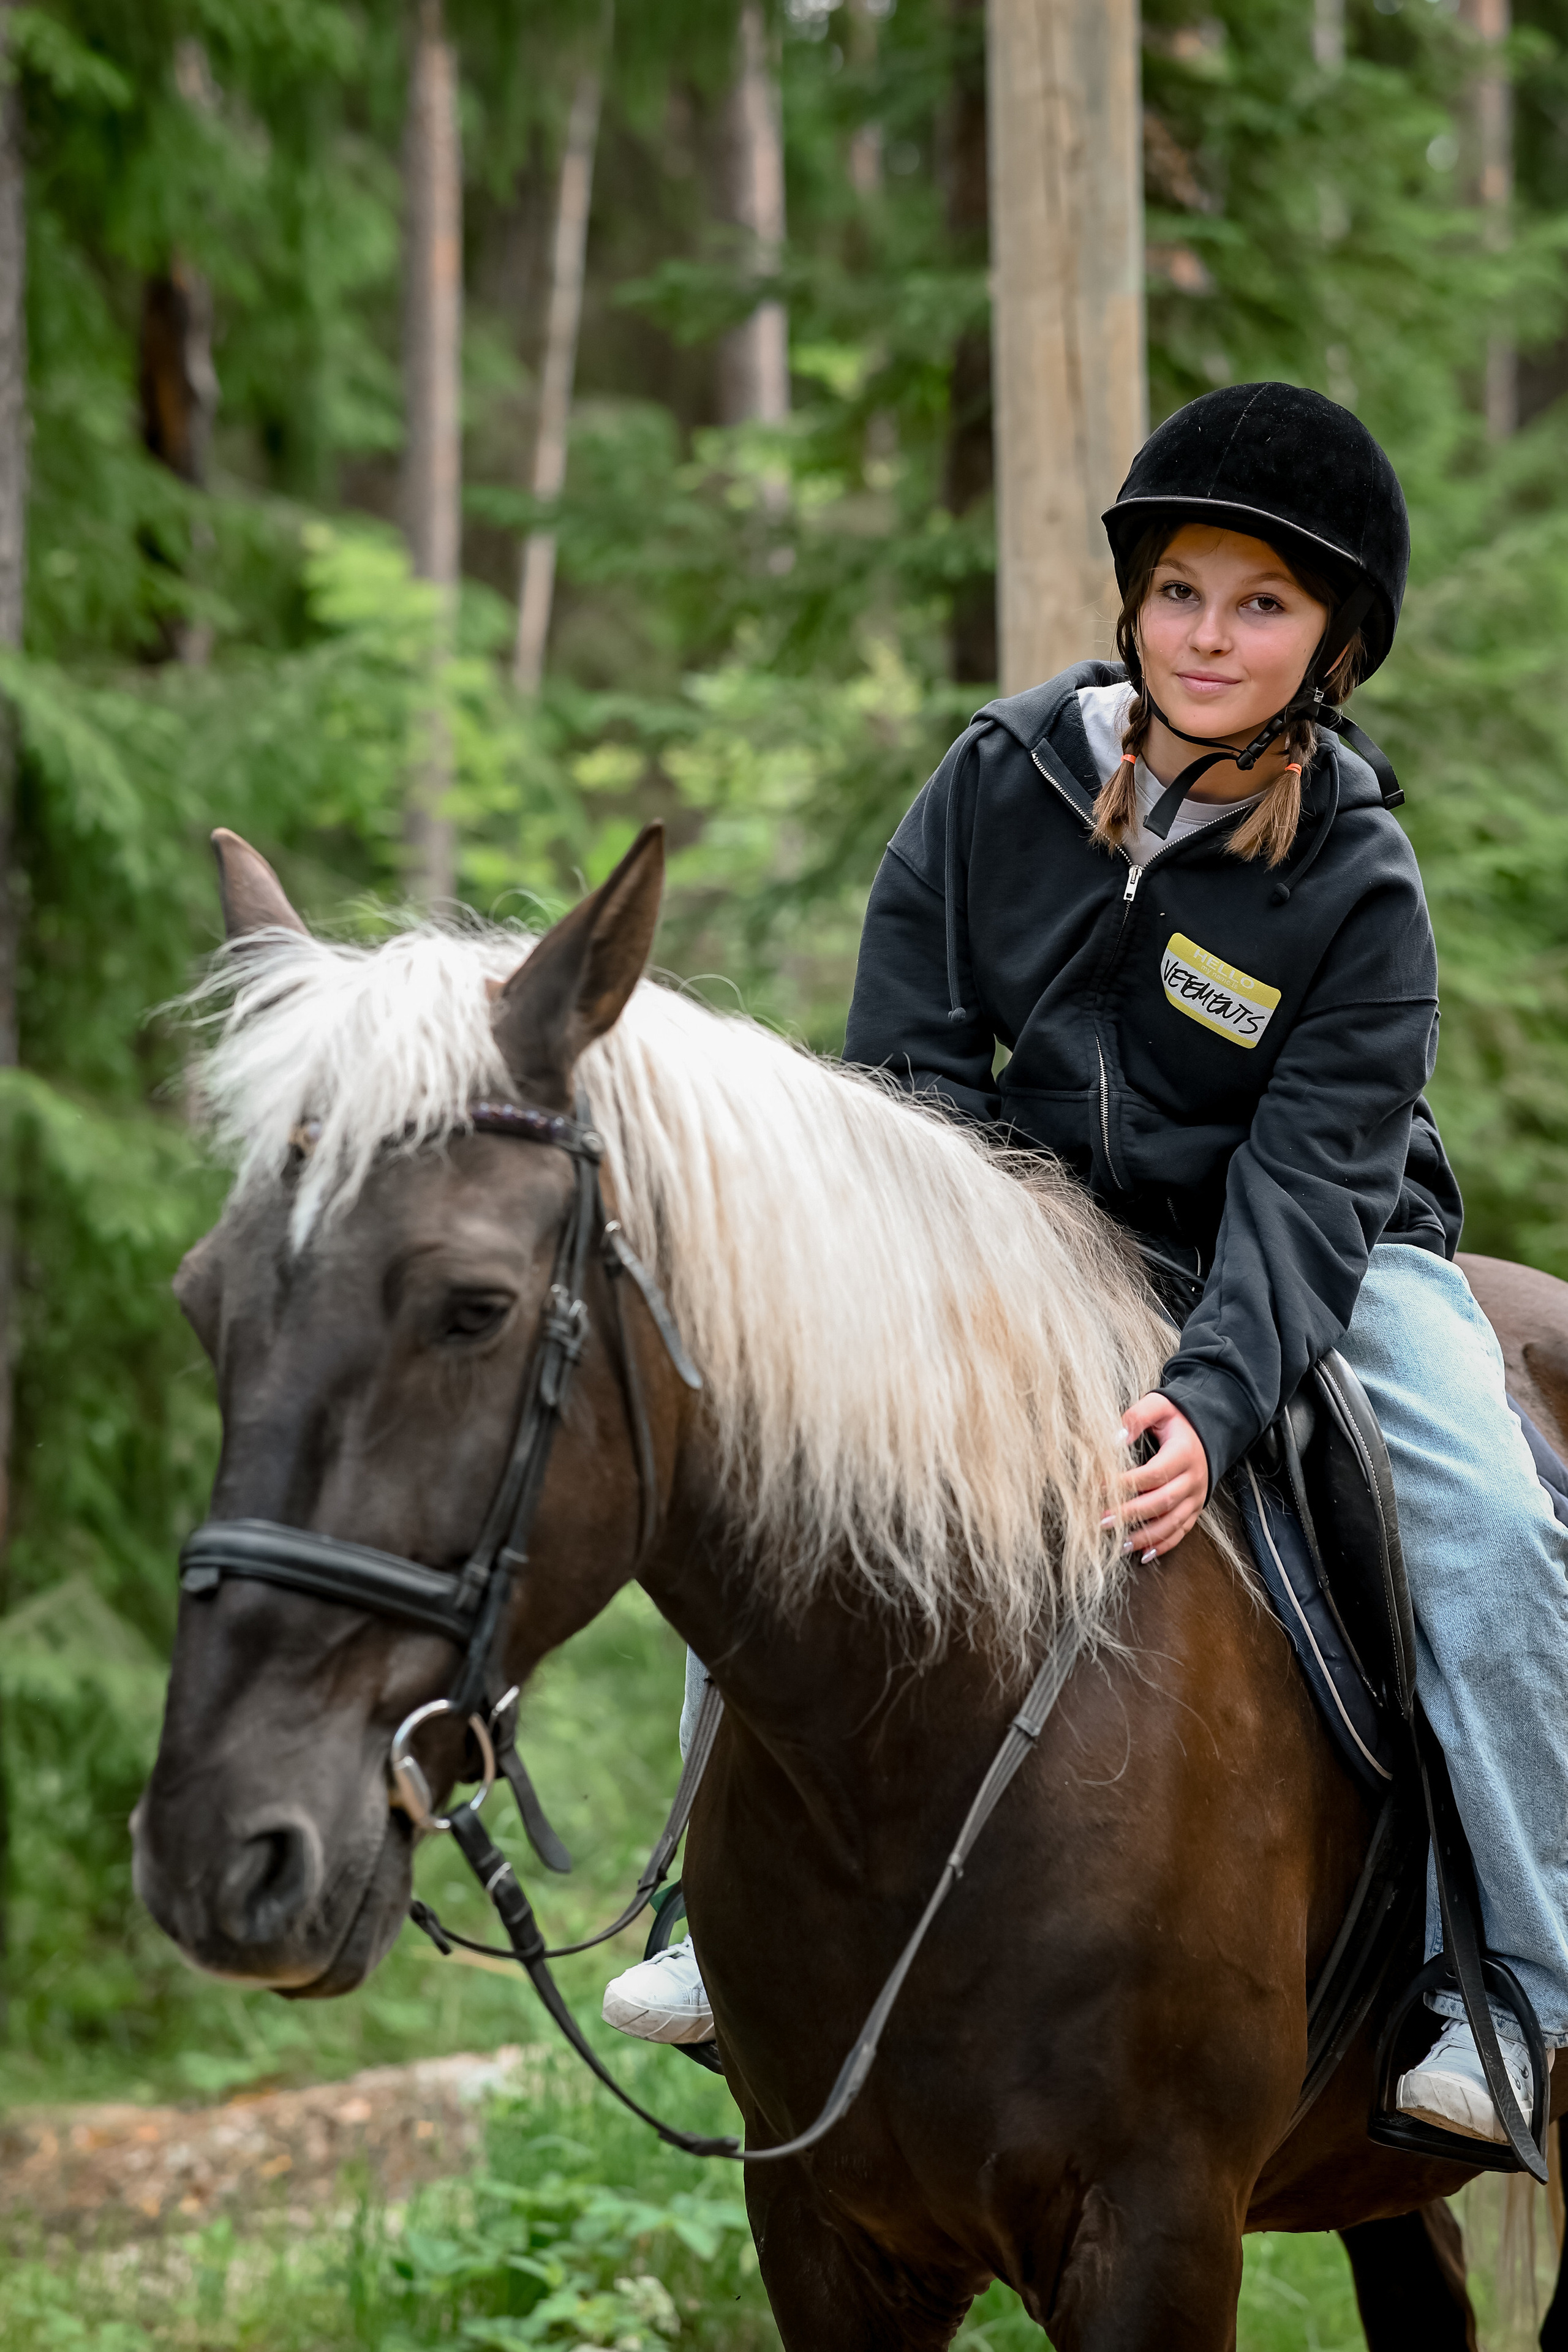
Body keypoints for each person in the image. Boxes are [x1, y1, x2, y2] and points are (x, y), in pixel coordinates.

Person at [602, 382, 1568, 2144]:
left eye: (1264, 605)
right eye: (1186, 590)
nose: (1212, 635)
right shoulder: (994, 784)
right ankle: (698, 1904)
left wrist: (1209, 1397)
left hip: (1330, 1267)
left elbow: (1311, 1180)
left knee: (1497, 1536)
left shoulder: (1358, 879)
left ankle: (1521, 1987)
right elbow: (902, 1077)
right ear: (1134, 597)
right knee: (780, 1432)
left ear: (1335, 643)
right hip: (1034, 1232)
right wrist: (932, 1283)